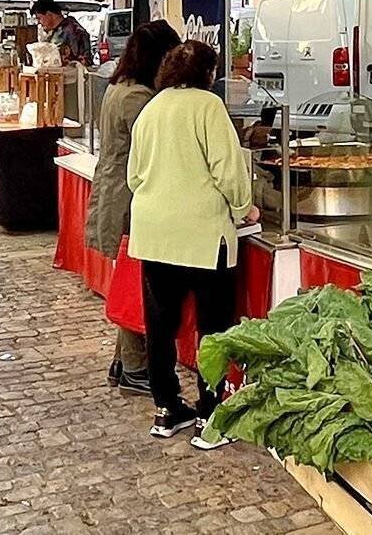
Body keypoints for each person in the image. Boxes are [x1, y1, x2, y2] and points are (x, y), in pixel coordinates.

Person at [127, 40, 257, 446]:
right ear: (207, 73)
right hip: (202, 234)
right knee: (212, 327)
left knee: (160, 327)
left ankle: (167, 409)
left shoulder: (152, 108)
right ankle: (210, 414)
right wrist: (244, 208)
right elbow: (229, 169)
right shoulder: (208, 106)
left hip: (153, 232)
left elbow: (134, 175)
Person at [90, 20, 181, 395]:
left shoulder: (119, 87)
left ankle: (123, 364)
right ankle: (134, 367)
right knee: (138, 284)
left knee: (132, 280)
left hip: (116, 191)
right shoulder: (139, 99)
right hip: (129, 199)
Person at [30, 0, 92, 66]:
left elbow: (84, 63)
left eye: (39, 18)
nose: (39, 22)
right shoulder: (56, 31)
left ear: (49, 14)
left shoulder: (74, 31)